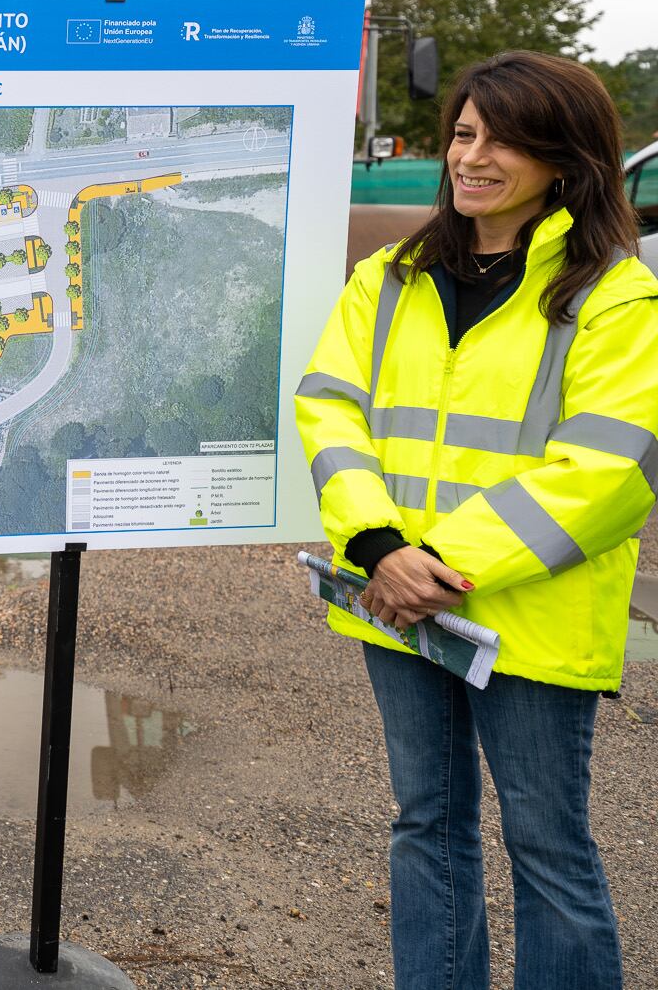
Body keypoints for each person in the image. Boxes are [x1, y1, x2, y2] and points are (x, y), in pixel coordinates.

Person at [296, 51, 656, 990]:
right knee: (426, 822)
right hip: (398, 597)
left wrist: (432, 565)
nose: (473, 155)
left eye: (506, 137)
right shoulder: (390, 278)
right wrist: (379, 547)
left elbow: (608, 473)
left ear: (565, 159)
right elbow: (330, 407)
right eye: (464, 131)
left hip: (520, 617)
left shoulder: (615, 295)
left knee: (546, 846)